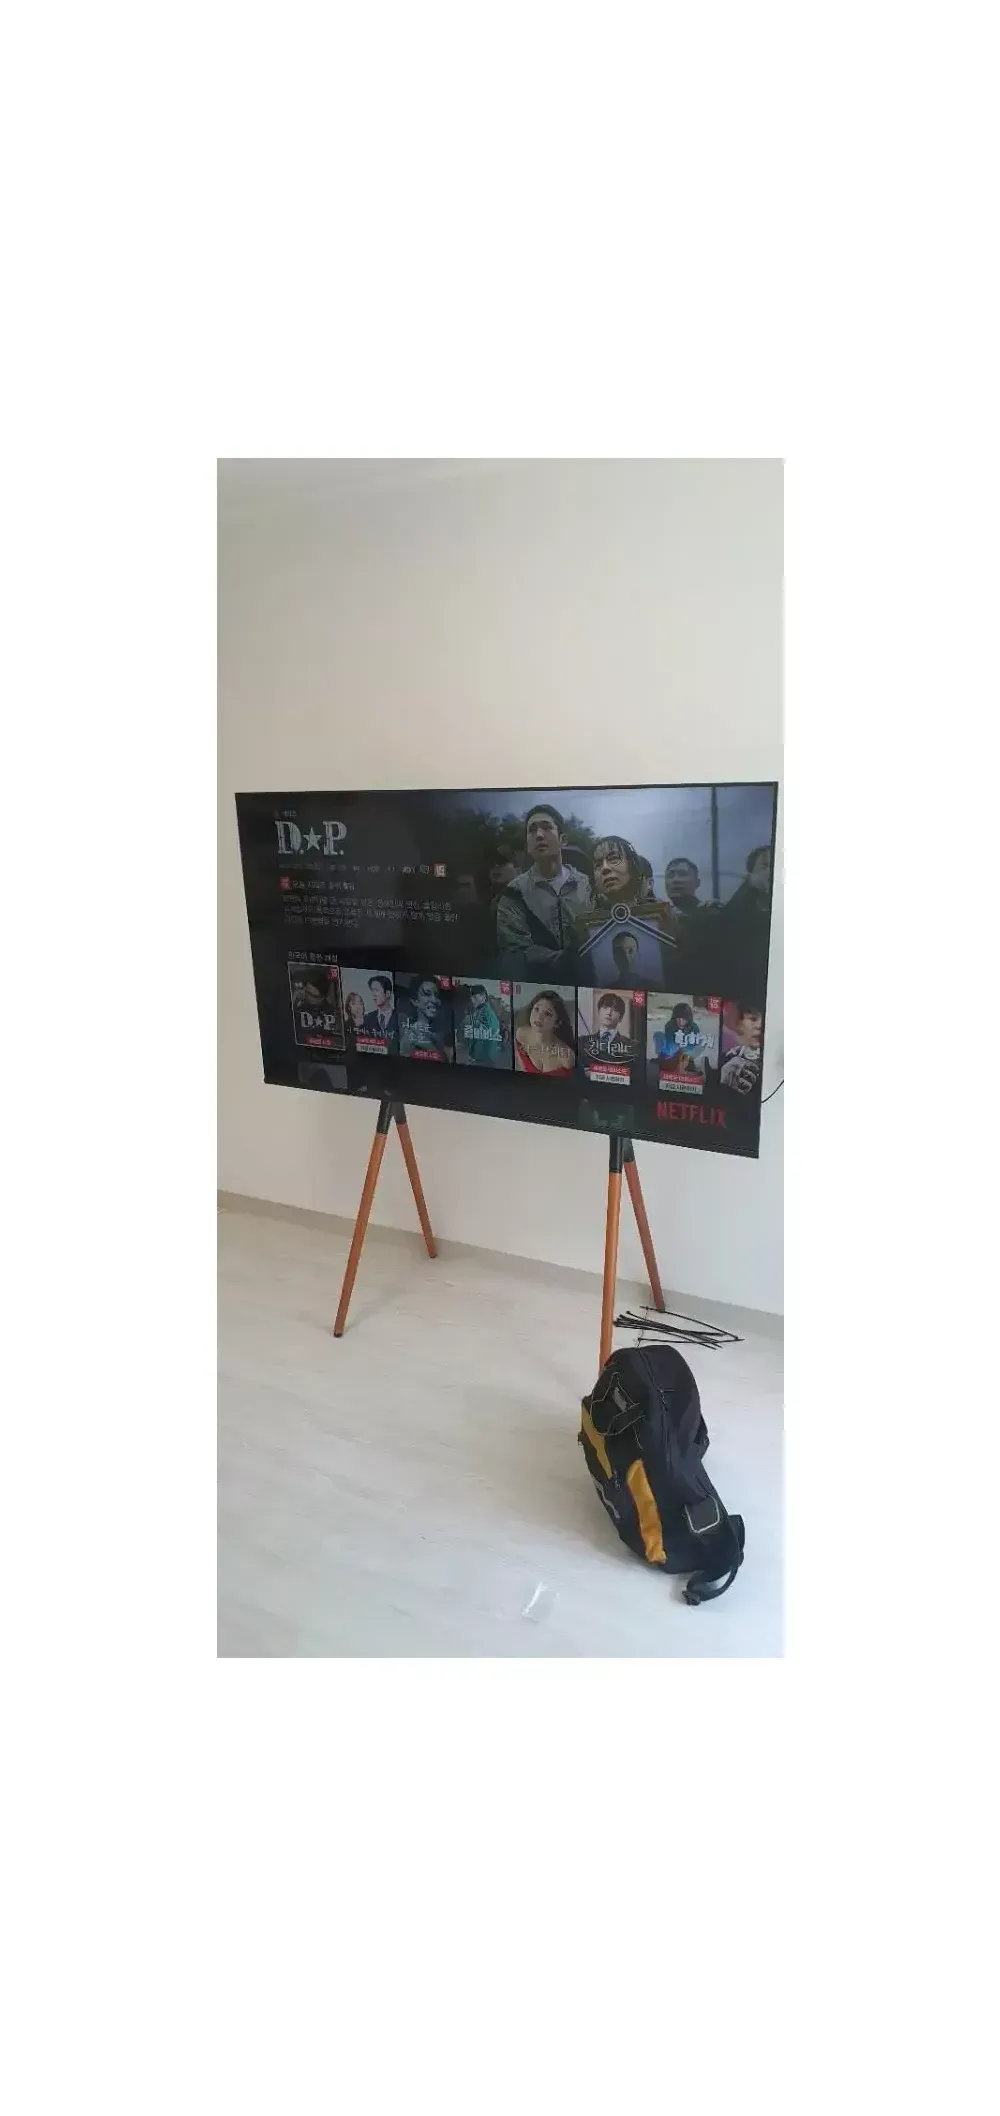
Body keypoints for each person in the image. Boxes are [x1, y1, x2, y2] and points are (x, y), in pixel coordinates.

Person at [495, 804, 592, 976]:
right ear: (527, 843)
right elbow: (515, 951)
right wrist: (563, 960)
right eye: (532, 831)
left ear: (563, 839)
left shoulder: (587, 885)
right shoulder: (515, 892)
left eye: (547, 828)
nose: (539, 835)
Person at [514, 990, 576, 1076]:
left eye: (547, 1013)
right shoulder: (521, 1035)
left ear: (557, 1023)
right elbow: (522, 1067)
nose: (539, 1017)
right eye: (536, 1009)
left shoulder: (566, 1058)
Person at [398, 976, 452, 1059]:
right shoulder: (410, 1040)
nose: (434, 1000)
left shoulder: (439, 1036)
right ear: (415, 1001)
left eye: (436, 995)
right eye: (427, 994)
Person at [460, 983, 508, 1067]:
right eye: (471, 997)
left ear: (484, 997)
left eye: (475, 997)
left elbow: (488, 1034)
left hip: (484, 1059)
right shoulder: (479, 1011)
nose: (472, 1000)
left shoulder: (486, 1012)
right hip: (480, 1058)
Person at [653, 1001, 707, 1076]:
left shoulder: (694, 1027)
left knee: (702, 1041)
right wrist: (677, 1052)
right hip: (670, 1053)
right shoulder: (670, 1025)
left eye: (684, 1019)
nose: (680, 1021)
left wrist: (686, 1054)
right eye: (678, 1018)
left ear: (688, 1019)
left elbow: (693, 1046)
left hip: (687, 1054)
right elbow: (670, 1045)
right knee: (658, 1034)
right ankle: (661, 1061)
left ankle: (689, 1064)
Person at [580, 992, 635, 1064]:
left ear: (621, 1018)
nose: (609, 1013)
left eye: (615, 1010)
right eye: (605, 1008)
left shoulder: (631, 1045)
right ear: (599, 1011)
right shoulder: (582, 1042)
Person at [720, 1003, 764, 1093]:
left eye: (765, 1020)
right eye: (753, 1019)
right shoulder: (726, 1060)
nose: (759, 1026)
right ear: (739, 1024)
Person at [363, 975, 397, 1041]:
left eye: (376, 990)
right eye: (372, 991)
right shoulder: (367, 1019)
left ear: (387, 993)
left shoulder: (399, 1017)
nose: (373, 994)